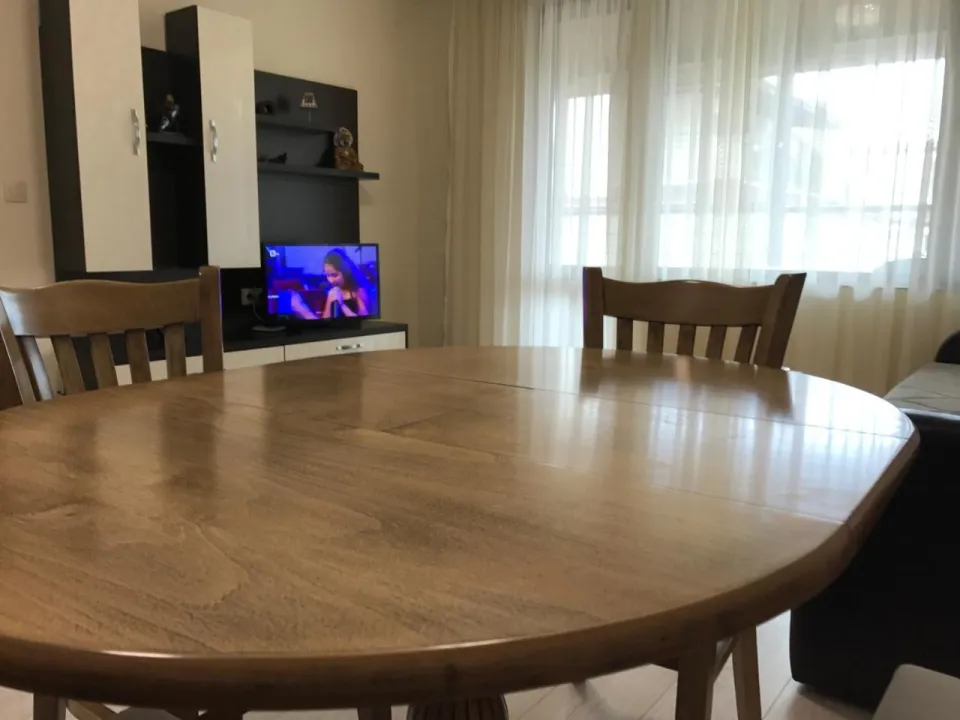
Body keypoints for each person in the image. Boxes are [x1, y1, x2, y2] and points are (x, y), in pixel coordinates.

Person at [321, 248, 370, 318]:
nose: (331, 280)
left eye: (334, 275)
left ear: (345, 272)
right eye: (328, 275)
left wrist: (342, 305)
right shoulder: (333, 292)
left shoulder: (358, 291)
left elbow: (363, 321)